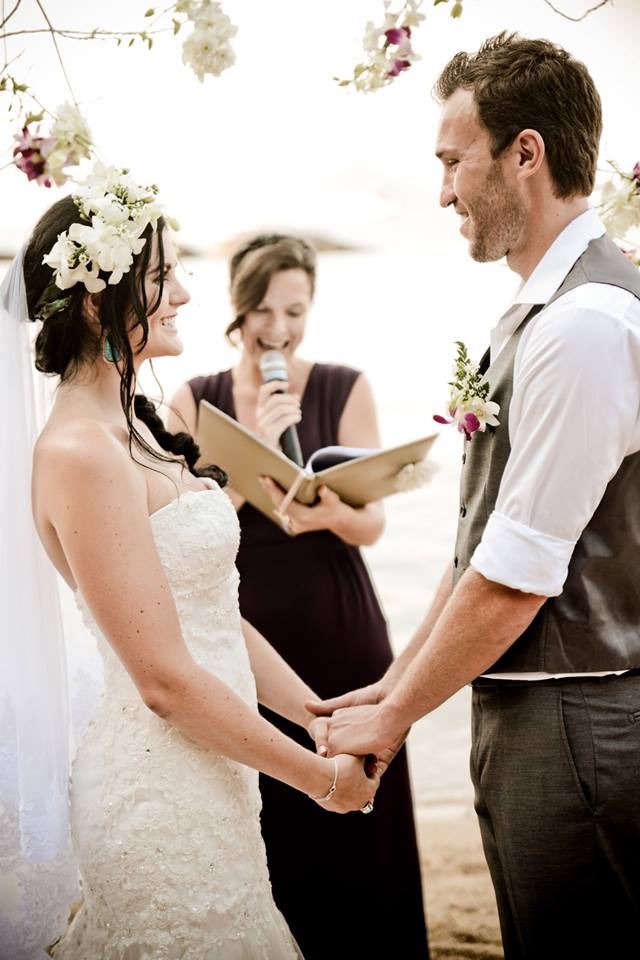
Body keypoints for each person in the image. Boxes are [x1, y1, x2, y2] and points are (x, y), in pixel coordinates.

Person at [308, 33, 640, 960]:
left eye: (455, 162)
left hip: (580, 727)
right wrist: (392, 688)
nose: (445, 191)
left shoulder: (586, 326)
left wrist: (396, 716)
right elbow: (476, 549)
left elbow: (519, 574)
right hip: (540, 719)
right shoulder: (544, 311)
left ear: (525, 154)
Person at [6, 167, 379, 959]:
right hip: (160, 790)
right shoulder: (79, 451)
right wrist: (320, 783)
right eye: (160, 277)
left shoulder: (135, 430)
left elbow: (212, 615)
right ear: (100, 301)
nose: (182, 294)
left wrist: (315, 716)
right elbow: (164, 680)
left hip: (217, 774)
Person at [169, 234, 429, 959]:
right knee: (272, 823)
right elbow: (190, 525)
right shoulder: (195, 399)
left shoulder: (346, 385)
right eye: (264, 311)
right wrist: (255, 443)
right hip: (247, 631)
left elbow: (371, 524)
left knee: (358, 820)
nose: (279, 328)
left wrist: (324, 512)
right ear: (238, 309)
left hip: (339, 622)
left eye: (295, 311)